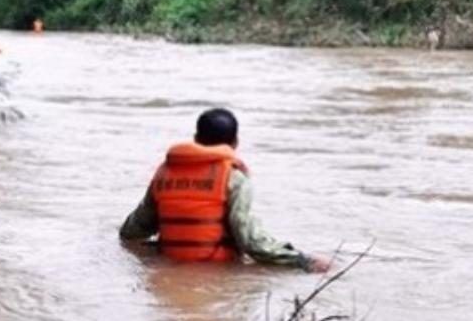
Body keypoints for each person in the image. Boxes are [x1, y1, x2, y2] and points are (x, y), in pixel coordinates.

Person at [120, 108, 330, 272]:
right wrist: (303, 261)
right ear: (235, 143)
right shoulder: (234, 179)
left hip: (167, 272)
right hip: (216, 271)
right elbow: (251, 243)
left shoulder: (164, 174)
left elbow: (132, 232)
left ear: (196, 139)